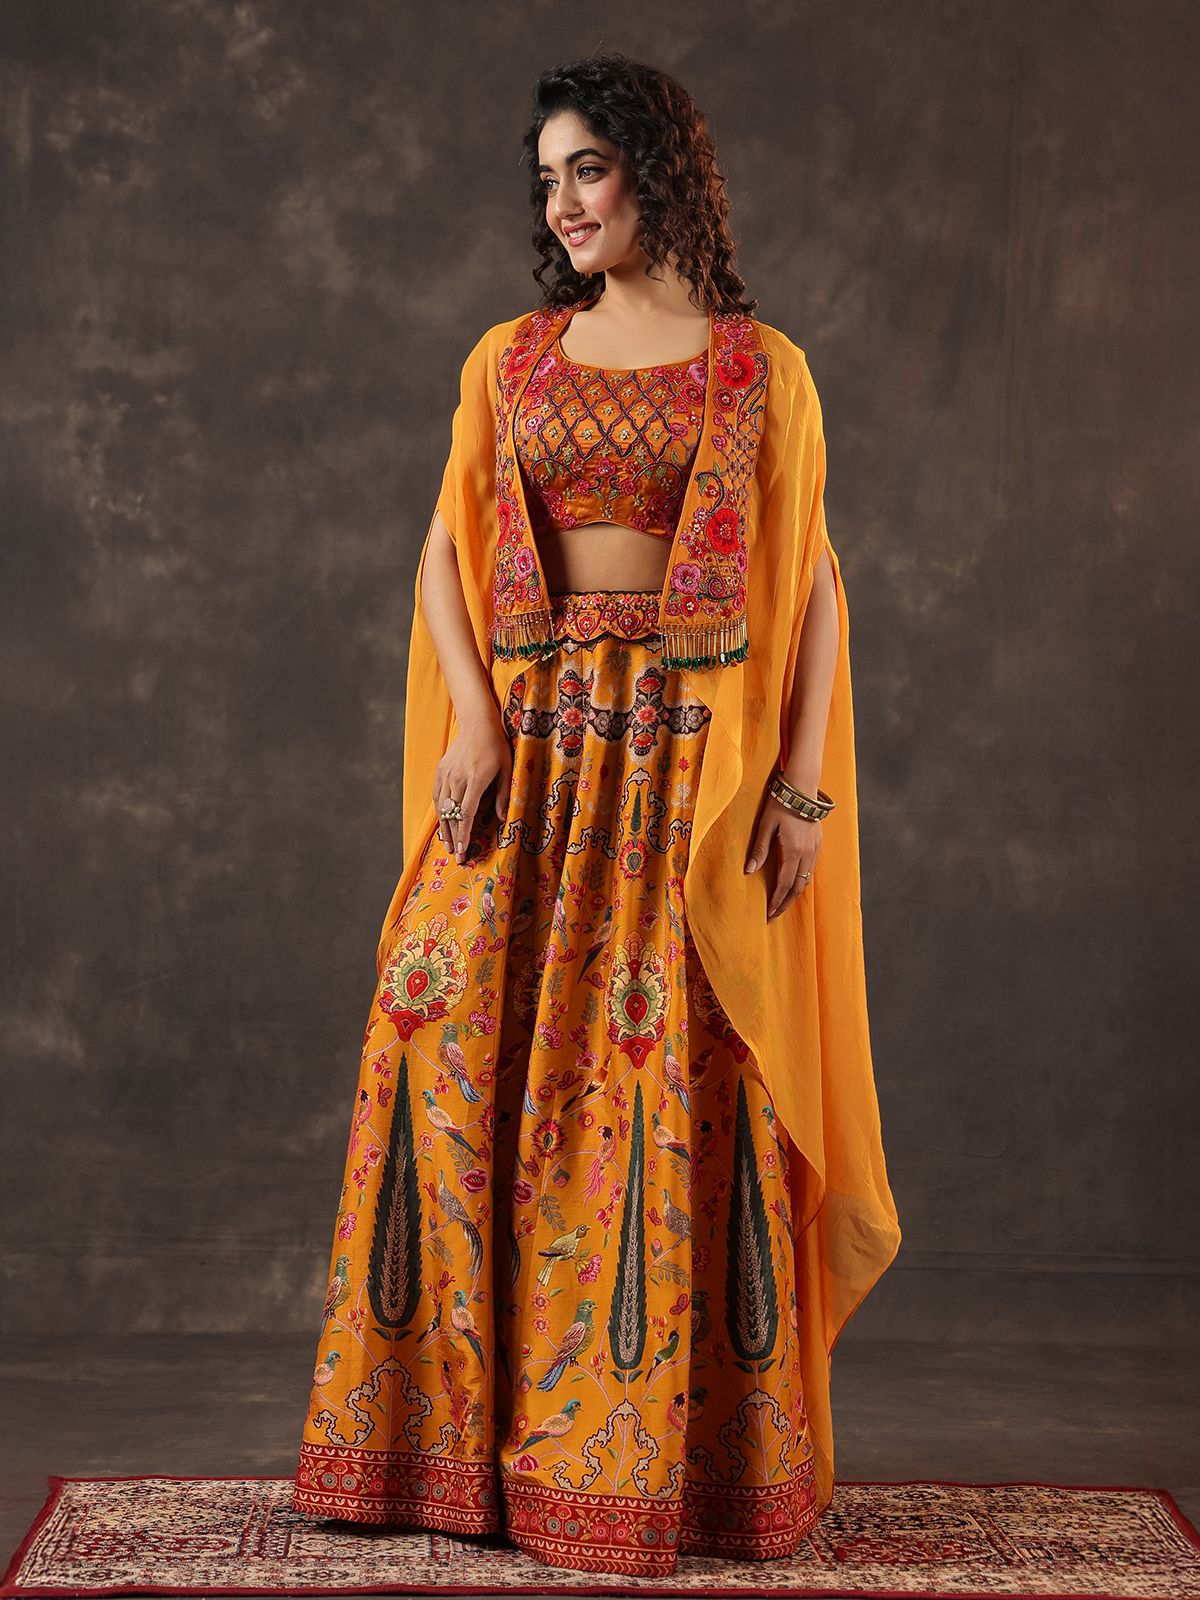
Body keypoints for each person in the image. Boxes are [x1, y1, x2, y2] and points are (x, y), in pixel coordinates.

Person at [293, 54, 899, 1578]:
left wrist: (802, 787)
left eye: (589, 169)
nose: (562, 202)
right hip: (532, 755)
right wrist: (474, 718)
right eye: (547, 176)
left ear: (657, 171)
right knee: (437, 1045)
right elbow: (447, 551)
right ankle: (434, 1457)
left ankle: (666, 1473)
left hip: (688, 772)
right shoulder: (511, 359)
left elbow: (815, 583)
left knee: (663, 1085)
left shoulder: (761, 369)